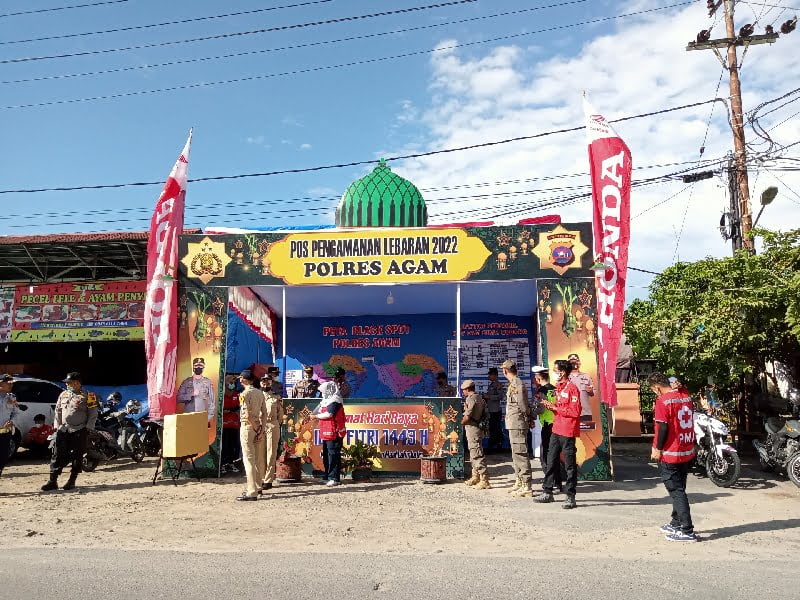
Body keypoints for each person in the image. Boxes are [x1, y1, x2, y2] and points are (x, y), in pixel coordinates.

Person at [649, 372, 698, 542]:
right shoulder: (685, 396)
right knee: (680, 487)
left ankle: (687, 530)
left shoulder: (662, 401)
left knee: (676, 491)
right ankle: (676, 522)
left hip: (670, 452)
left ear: (657, 388)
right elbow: (683, 387)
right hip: (686, 449)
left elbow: (663, 427)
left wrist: (658, 448)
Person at [535, 360, 581, 509]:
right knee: (550, 460)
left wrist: (556, 408)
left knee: (569, 464)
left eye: (555, 370)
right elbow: (560, 407)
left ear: (562, 372)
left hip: (567, 430)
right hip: (556, 428)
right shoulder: (559, 388)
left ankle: (570, 496)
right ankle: (547, 491)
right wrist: (551, 407)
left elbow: (575, 411)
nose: (554, 373)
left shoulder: (572, 388)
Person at [41, 372, 98, 492]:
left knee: (77, 456)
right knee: (57, 454)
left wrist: (88, 428)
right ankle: (52, 481)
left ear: (77, 383)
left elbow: (93, 414)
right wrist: (57, 426)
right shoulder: (63, 394)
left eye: (69, 383)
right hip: (63, 429)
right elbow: (58, 411)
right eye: (66, 383)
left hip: (79, 429)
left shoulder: (90, 395)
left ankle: (72, 481)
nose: (67, 385)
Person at [502, 359, 532, 497]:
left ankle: (527, 484)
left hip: (518, 423)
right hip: (513, 423)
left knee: (521, 453)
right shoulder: (513, 384)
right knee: (516, 454)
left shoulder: (518, 384)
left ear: (505, 371)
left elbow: (523, 405)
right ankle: (519, 480)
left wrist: (528, 417)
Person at [236, 370, 267, 501]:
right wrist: (261, 429)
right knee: (258, 459)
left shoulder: (244, 394)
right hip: (258, 427)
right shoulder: (260, 393)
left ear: (243, 380)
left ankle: (251, 491)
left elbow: (247, 414)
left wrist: (254, 427)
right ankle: (258, 486)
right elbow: (264, 413)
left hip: (248, 427)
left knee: (249, 460)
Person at [532, 365, 562, 493]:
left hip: (547, 426)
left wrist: (531, 414)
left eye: (535, 378)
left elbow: (540, 409)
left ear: (538, 378)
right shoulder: (555, 389)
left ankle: (551, 482)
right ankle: (558, 482)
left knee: (546, 455)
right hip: (557, 424)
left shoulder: (541, 391)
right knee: (555, 455)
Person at [314, 381, 346, 487]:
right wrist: (312, 414)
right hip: (326, 432)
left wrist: (316, 416)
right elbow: (317, 410)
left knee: (333, 455)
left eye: (324, 391)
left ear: (329, 391)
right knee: (326, 454)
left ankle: (334, 478)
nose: (322, 393)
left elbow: (329, 414)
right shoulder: (325, 401)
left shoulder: (335, 401)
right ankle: (327, 475)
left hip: (335, 433)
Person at [461, 380, 490, 489]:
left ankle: (484, 479)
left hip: (473, 429)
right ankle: (475, 476)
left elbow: (467, 416)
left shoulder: (471, 398)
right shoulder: (479, 397)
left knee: (477, 454)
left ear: (467, 389)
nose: (463, 392)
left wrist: (459, 423)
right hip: (476, 428)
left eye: (464, 390)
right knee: (473, 453)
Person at [260, 373, 285, 491]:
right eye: (263, 381)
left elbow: (281, 414)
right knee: (260, 453)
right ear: (260, 383)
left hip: (272, 424)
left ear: (271, 383)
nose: (266, 383)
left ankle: (268, 479)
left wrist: (275, 425)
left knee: (271, 453)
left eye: (268, 381)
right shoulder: (257, 396)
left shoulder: (276, 397)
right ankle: (260, 478)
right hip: (259, 426)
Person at [176, 357, 216, 424]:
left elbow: (212, 401)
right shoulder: (186, 381)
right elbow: (178, 398)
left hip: (202, 416)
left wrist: (209, 417)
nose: (198, 367)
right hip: (188, 416)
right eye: (196, 365)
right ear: (193, 367)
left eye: (200, 366)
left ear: (203, 367)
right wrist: (191, 394)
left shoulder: (208, 382)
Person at [221, 374, 241, 474]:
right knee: (224, 445)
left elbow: (239, 408)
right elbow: (220, 410)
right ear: (225, 383)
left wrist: (236, 410)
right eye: (230, 382)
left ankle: (231, 463)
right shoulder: (222, 395)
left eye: (234, 382)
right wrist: (228, 410)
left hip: (234, 425)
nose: (232, 384)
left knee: (233, 445)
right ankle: (222, 464)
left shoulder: (236, 395)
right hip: (224, 425)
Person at [0, 374, 19, 477]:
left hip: (5, 433)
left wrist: (12, 421)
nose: (11, 386)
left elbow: (16, 412)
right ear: (1, 383)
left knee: (3, 458)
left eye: (12, 384)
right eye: (9, 384)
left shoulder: (12, 397)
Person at [567, 353, 595, 421]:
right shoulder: (564, 377)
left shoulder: (586, 376)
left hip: (585, 412)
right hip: (569, 413)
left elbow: (593, 393)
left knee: (587, 428)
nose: (574, 364)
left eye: (576, 361)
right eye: (572, 362)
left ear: (579, 363)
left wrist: (591, 391)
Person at [483, 367, 505, 451]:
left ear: (495, 375)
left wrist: (489, 397)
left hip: (495, 410)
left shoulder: (498, 385)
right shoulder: (491, 385)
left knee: (495, 428)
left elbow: (500, 396)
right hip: (491, 410)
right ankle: (496, 444)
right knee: (493, 428)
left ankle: (494, 445)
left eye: (490, 375)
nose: (489, 376)